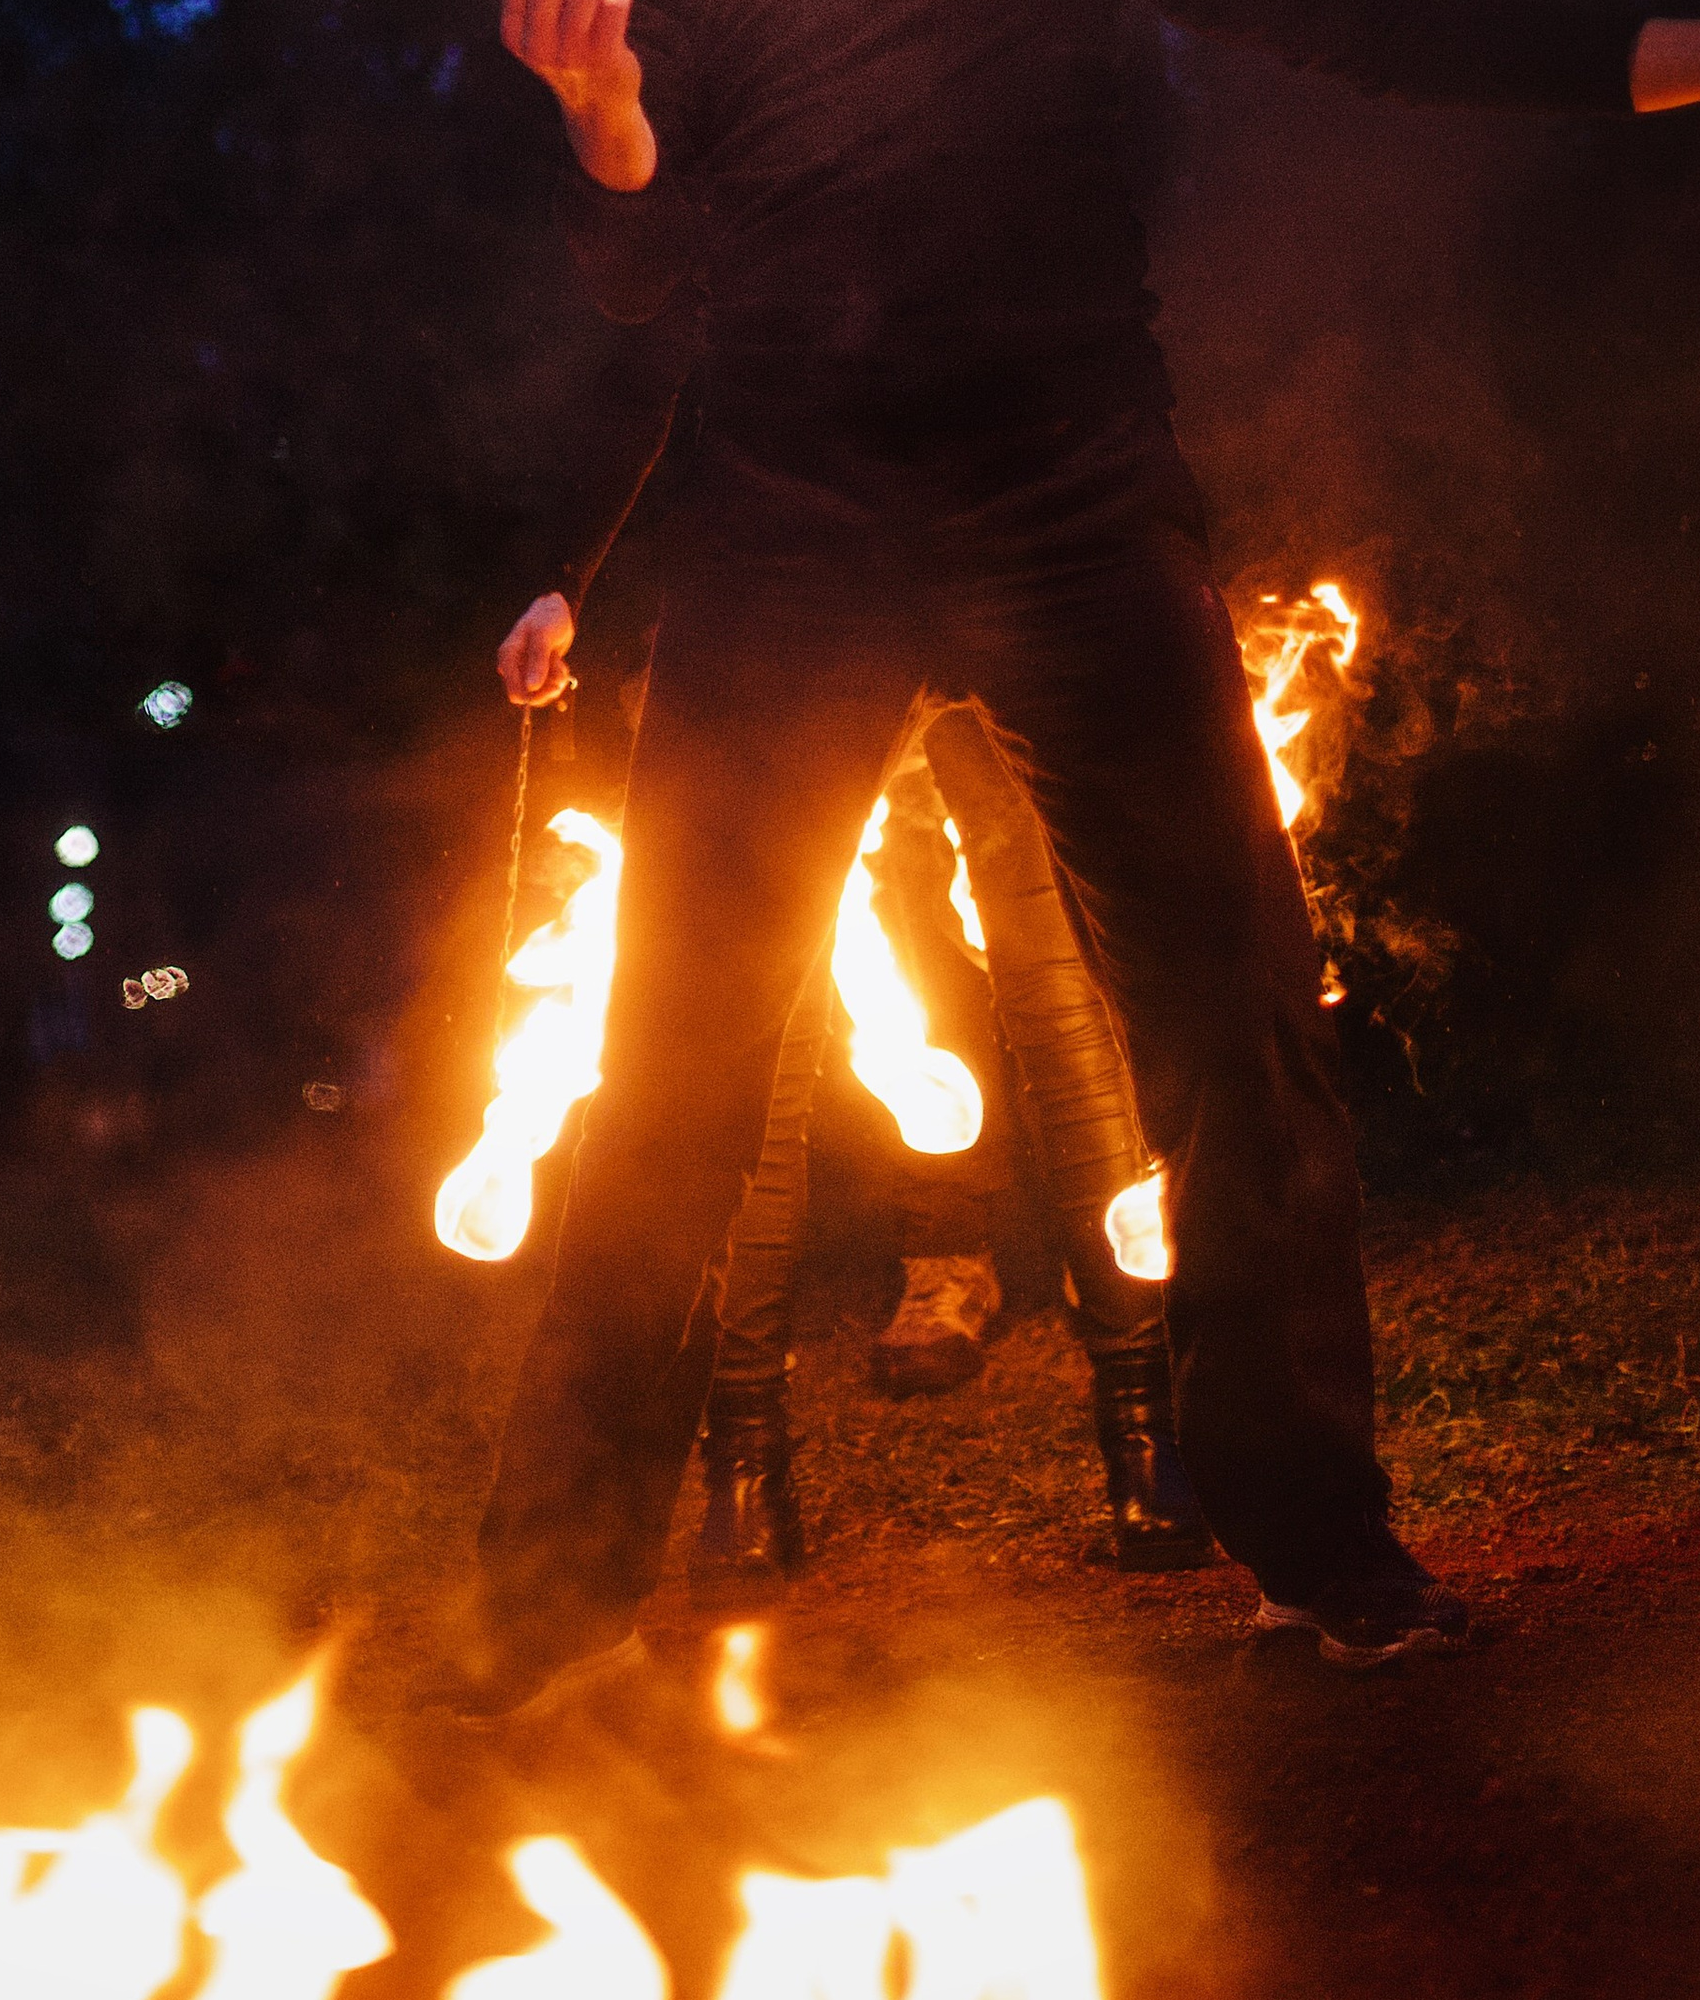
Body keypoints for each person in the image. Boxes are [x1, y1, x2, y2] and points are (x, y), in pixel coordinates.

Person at [447, 0, 1700, 1698]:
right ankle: (537, 1605)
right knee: (673, 1067)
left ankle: (1306, 1536)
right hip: (787, 535)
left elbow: (1358, 16)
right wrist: (599, 125)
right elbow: (642, 273)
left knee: (1235, 1040)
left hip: (1070, 504)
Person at [497, 342, 1210, 1588]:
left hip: (964, 558)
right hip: (821, 578)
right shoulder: (760, 206)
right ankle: (750, 1468)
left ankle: (1144, 1445)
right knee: (757, 1025)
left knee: (1049, 991)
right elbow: (663, 338)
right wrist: (566, 572)